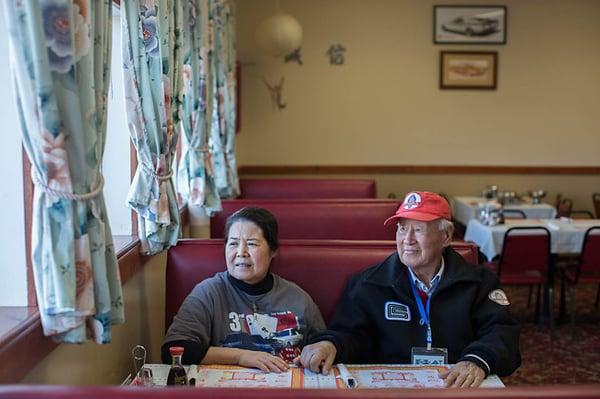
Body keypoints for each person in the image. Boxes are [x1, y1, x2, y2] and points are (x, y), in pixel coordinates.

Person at [296, 191, 520, 388]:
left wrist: (477, 360)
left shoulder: (479, 282)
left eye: (419, 230)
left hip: (454, 385)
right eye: (402, 229)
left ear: (446, 236)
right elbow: (351, 333)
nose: (407, 240)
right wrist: (330, 343)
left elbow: (502, 331)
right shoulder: (368, 283)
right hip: (392, 389)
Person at [163, 207, 326, 372]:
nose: (241, 252)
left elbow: (325, 349)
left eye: (252, 244)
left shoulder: (298, 298)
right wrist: (240, 356)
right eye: (233, 243)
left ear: (273, 250)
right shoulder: (208, 293)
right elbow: (173, 350)